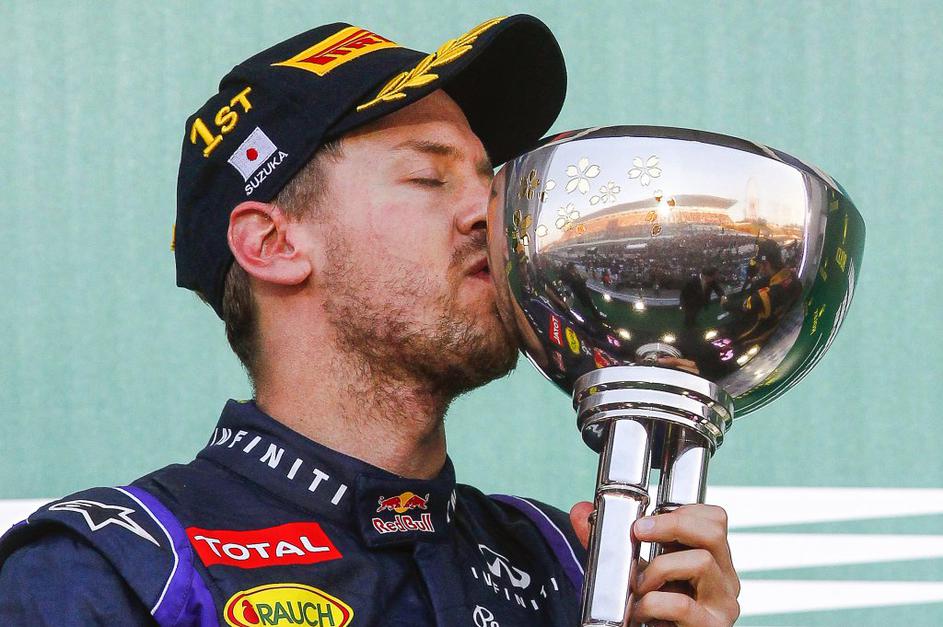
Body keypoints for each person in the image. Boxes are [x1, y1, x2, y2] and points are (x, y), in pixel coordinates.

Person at [0, 15, 740, 626]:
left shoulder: (565, 565)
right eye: (428, 176)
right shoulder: (115, 573)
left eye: (490, 183)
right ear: (272, 243)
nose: (489, 215)